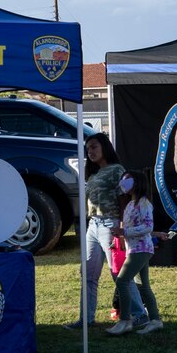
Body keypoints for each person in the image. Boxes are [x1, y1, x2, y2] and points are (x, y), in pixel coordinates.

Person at [69, 135, 124, 330]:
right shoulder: (92, 174)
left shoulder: (117, 171)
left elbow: (125, 198)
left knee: (119, 274)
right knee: (88, 274)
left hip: (111, 224)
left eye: (94, 147)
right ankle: (86, 319)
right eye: (88, 149)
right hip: (93, 226)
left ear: (105, 147)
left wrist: (123, 228)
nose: (90, 152)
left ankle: (137, 315)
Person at [105, 174, 162, 336]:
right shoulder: (130, 204)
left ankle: (125, 321)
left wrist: (125, 232)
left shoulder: (144, 204)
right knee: (144, 286)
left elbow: (148, 227)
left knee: (122, 281)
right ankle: (155, 321)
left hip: (141, 249)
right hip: (134, 249)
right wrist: (121, 233)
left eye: (128, 179)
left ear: (138, 183)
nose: (123, 182)